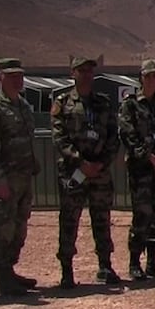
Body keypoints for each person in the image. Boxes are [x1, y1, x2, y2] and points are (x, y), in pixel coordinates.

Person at [50, 57, 120, 288]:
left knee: (102, 219)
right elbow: (59, 138)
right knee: (70, 221)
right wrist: (81, 162)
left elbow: (113, 136)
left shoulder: (103, 103)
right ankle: (67, 270)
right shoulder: (62, 102)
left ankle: (105, 265)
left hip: (99, 171)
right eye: (82, 71)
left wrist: (101, 162)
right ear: (73, 73)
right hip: (74, 172)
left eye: (90, 71)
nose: (87, 74)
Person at [0, 58, 40, 295]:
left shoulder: (22, 106)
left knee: (19, 227)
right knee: (1, 228)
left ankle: (9, 272)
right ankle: (0, 278)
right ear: (0, 78)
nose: (17, 80)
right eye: (11, 76)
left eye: (20, 75)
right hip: (5, 182)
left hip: (23, 179)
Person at [118, 60, 155, 280]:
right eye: (148, 76)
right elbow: (127, 135)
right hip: (141, 169)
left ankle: (152, 261)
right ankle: (135, 262)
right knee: (142, 215)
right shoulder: (131, 105)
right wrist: (146, 155)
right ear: (141, 78)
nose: (152, 80)